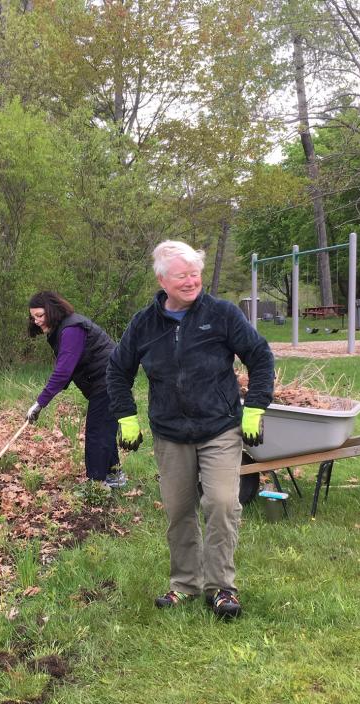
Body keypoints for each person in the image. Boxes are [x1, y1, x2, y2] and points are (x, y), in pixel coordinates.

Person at [106, 240, 275, 619]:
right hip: (170, 432)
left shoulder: (222, 314)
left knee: (221, 503)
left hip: (220, 427)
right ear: (163, 280)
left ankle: (221, 589)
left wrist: (255, 407)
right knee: (179, 510)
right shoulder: (144, 324)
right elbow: (117, 370)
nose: (190, 281)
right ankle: (184, 584)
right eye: (181, 275)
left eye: (195, 273)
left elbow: (260, 356)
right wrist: (126, 417)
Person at [26, 291, 126, 489]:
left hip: (109, 381)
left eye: (40, 315)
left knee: (97, 432)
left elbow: (63, 371)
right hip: (107, 381)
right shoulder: (63, 329)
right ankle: (114, 476)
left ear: (52, 311)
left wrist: (39, 403)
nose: (36, 321)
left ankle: (97, 485)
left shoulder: (72, 328)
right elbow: (68, 371)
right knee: (104, 430)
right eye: (33, 317)